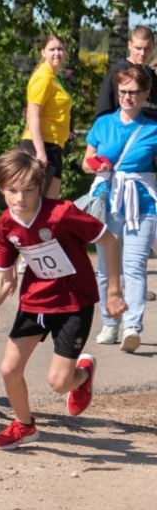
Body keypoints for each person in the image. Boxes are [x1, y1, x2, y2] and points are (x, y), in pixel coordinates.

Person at [0, 149, 120, 450]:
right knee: (9, 369)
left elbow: (109, 239)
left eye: (29, 189)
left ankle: (83, 376)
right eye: (12, 190)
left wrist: (113, 291)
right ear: (1, 188)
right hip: (35, 302)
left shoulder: (62, 213)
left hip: (74, 301)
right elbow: (4, 276)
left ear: (40, 186)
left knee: (59, 383)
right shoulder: (5, 224)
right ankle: (24, 426)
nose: (20, 198)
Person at [81, 63, 157, 352]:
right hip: (108, 199)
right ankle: (110, 323)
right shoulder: (103, 123)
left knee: (134, 266)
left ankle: (132, 327)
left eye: (134, 92)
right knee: (105, 268)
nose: (127, 97)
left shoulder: (153, 128)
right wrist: (98, 164)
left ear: (146, 93)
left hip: (143, 202)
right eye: (123, 91)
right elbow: (87, 161)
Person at [23, 33, 73, 199]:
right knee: (31, 205)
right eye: (52, 49)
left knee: (49, 207)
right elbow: (32, 115)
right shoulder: (43, 77)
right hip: (40, 146)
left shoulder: (55, 78)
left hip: (54, 146)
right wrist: (40, 152)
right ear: (43, 52)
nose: (57, 53)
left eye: (60, 48)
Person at [93, 25, 157, 120]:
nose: (142, 53)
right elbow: (103, 112)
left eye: (147, 48)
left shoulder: (151, 75)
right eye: (138, 48)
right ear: (129, 45)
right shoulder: (118, 72)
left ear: (154, 47)